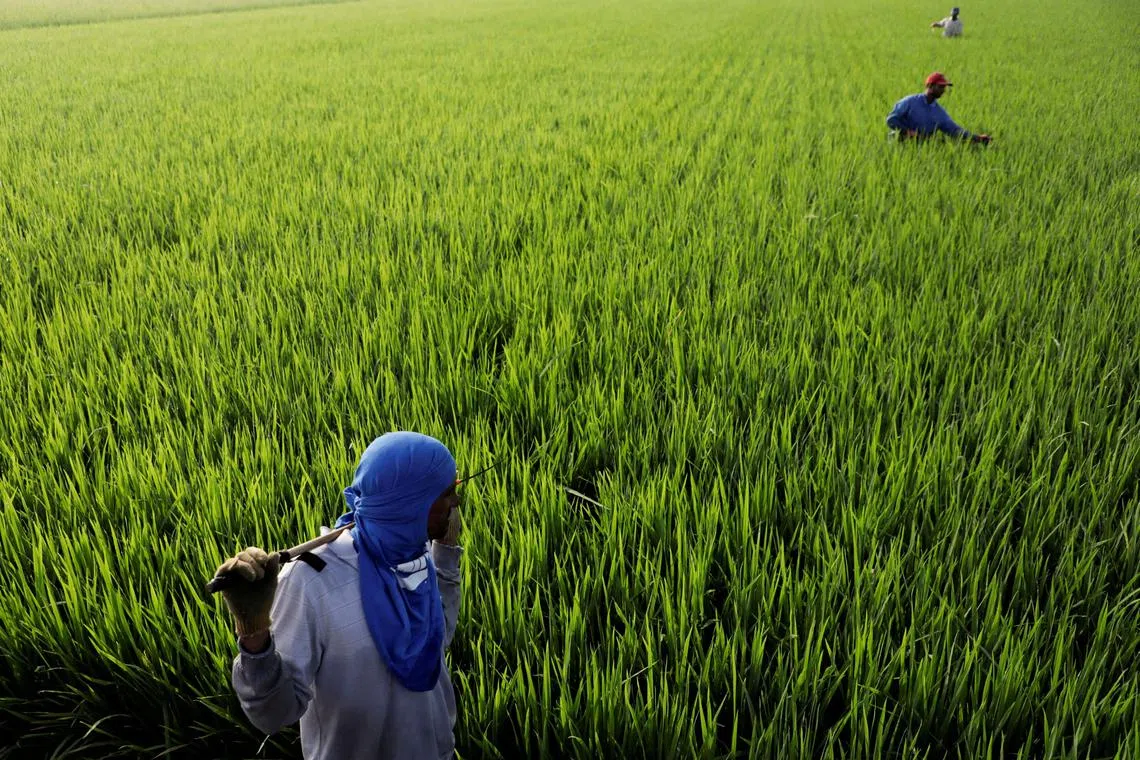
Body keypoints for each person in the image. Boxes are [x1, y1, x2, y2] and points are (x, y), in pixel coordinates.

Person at [216, 431, 466, 760]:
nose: (456, 503)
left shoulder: (414, 554)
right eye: (446, 493)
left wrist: (445, 556)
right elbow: (274, 714)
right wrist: (254, 632)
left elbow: (435, 640)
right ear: (410, 503)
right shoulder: (312, 580)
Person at [886, 72, 991, 144]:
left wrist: (978, 138)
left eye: (944, 87)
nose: (943, 90)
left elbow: (955, 131)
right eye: (940, 87)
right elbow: (891, 119)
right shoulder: (910, 101)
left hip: (919, 148)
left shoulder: (939, 112)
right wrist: (908, 132)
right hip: (897, 143)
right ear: (930, 86)